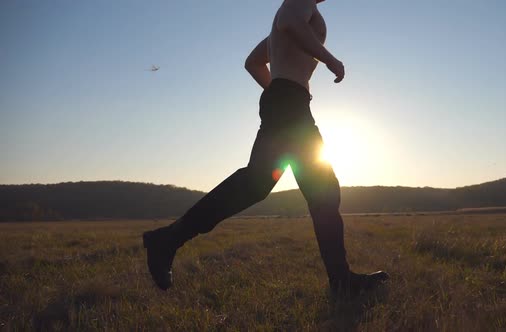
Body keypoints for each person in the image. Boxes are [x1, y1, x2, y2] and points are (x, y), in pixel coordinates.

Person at [143, 0, 389, 297]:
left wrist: (276, 89)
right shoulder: (300, 3)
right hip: (288, 103)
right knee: (318, 189)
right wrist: (329, 60)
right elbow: (290, 23)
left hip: (287, 100)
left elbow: (254, 61)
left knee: (263, 183)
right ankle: (341, 281)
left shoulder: (297, 9)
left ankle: (168, 239)